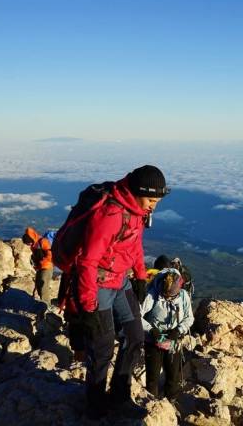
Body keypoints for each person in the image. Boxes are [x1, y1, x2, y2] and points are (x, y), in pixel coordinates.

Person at [74, 165, 169, 420]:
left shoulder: (136, 210)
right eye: (151, 200)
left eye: (157, 201)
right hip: (99, 284)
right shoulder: (111, 214)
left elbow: (134, 245)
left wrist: (139, 275)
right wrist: (88, 304)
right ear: (139, 192)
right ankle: (94, 403)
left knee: (136, 337)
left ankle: (119, 396)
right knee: (102, 346)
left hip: (121, 281)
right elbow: (86, 261)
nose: (153, 206)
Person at [141, 268, 194, 399]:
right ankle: (150, 402)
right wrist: (151, 330)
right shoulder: (152, 294)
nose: (167, 298)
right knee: (152, 375)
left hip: (173, 338)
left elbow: (189, 318)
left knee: (173, 374)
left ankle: (171, 400)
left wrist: (178, 330)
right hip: (153, 338)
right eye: (165, 295)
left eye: (170, 296)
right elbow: (137, 315)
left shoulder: (183, 296)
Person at [22, 227, 53, 304]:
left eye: (29, 243)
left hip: (47, 267)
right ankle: (42, 302)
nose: (29, 245)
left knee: (43, 285)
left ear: (31, 239)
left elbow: (51, 255)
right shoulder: (33, 245)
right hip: (39, 267)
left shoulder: (43, 242)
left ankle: (46, 305)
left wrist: (42, 262)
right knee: (38, 284)